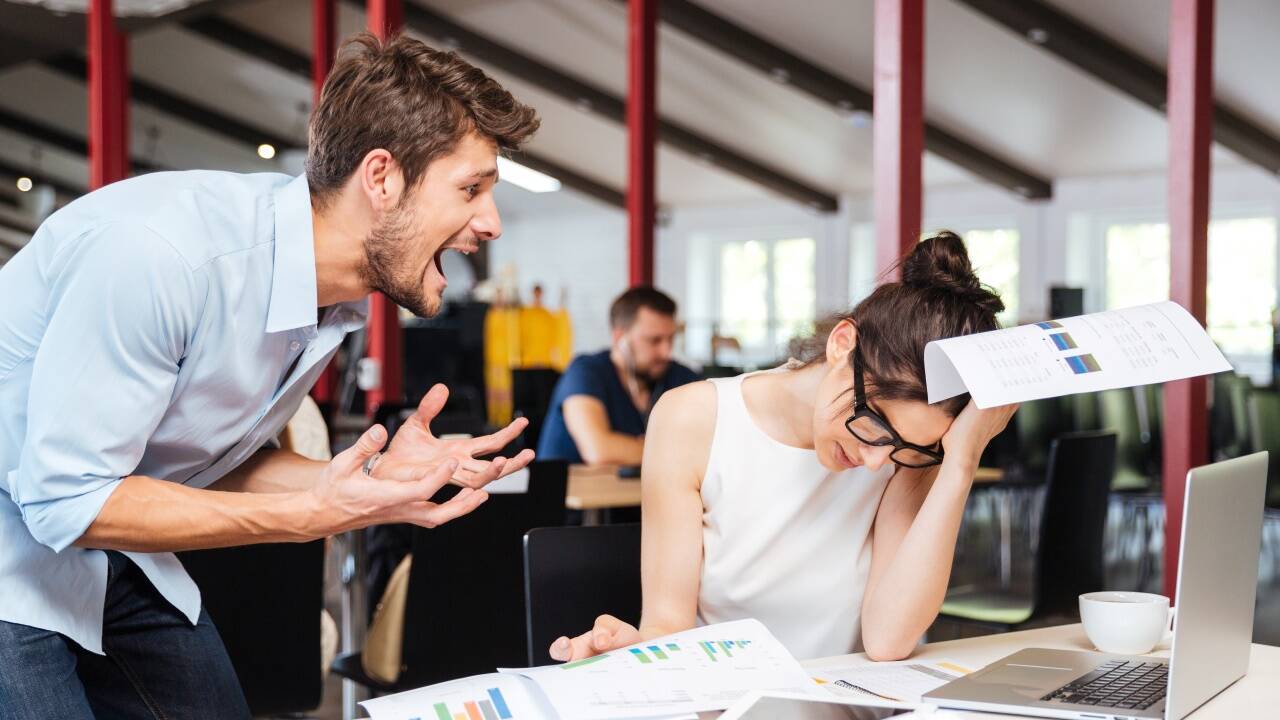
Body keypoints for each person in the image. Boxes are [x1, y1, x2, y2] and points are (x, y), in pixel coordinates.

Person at [0, 33, 540, 718]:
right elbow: (63, 498)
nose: (490, 223)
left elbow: (205, 464)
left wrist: (367, 483)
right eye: (471, 188)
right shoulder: (166, 256)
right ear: (382, 178)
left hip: (99, 549)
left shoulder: (326, 298)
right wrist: (306, 516)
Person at [549, 233, 1018, 662]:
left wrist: (959, 461)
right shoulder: (693, 418)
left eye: (905, 448)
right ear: (842, 344)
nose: (876, 460)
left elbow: (887, 640)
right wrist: (625, 654)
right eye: (874, 423)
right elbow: (668, 626)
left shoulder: (908, 455)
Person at [537, 287, 701, 466]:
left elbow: (710, 446)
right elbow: (599, 450)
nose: (666, 352)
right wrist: (677, 449)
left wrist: (635, 448)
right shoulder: (585, 372)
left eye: (671, 339)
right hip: (574, 493)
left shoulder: (679, 377)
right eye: (654, 341)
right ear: (619, 338)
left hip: (637, 493)